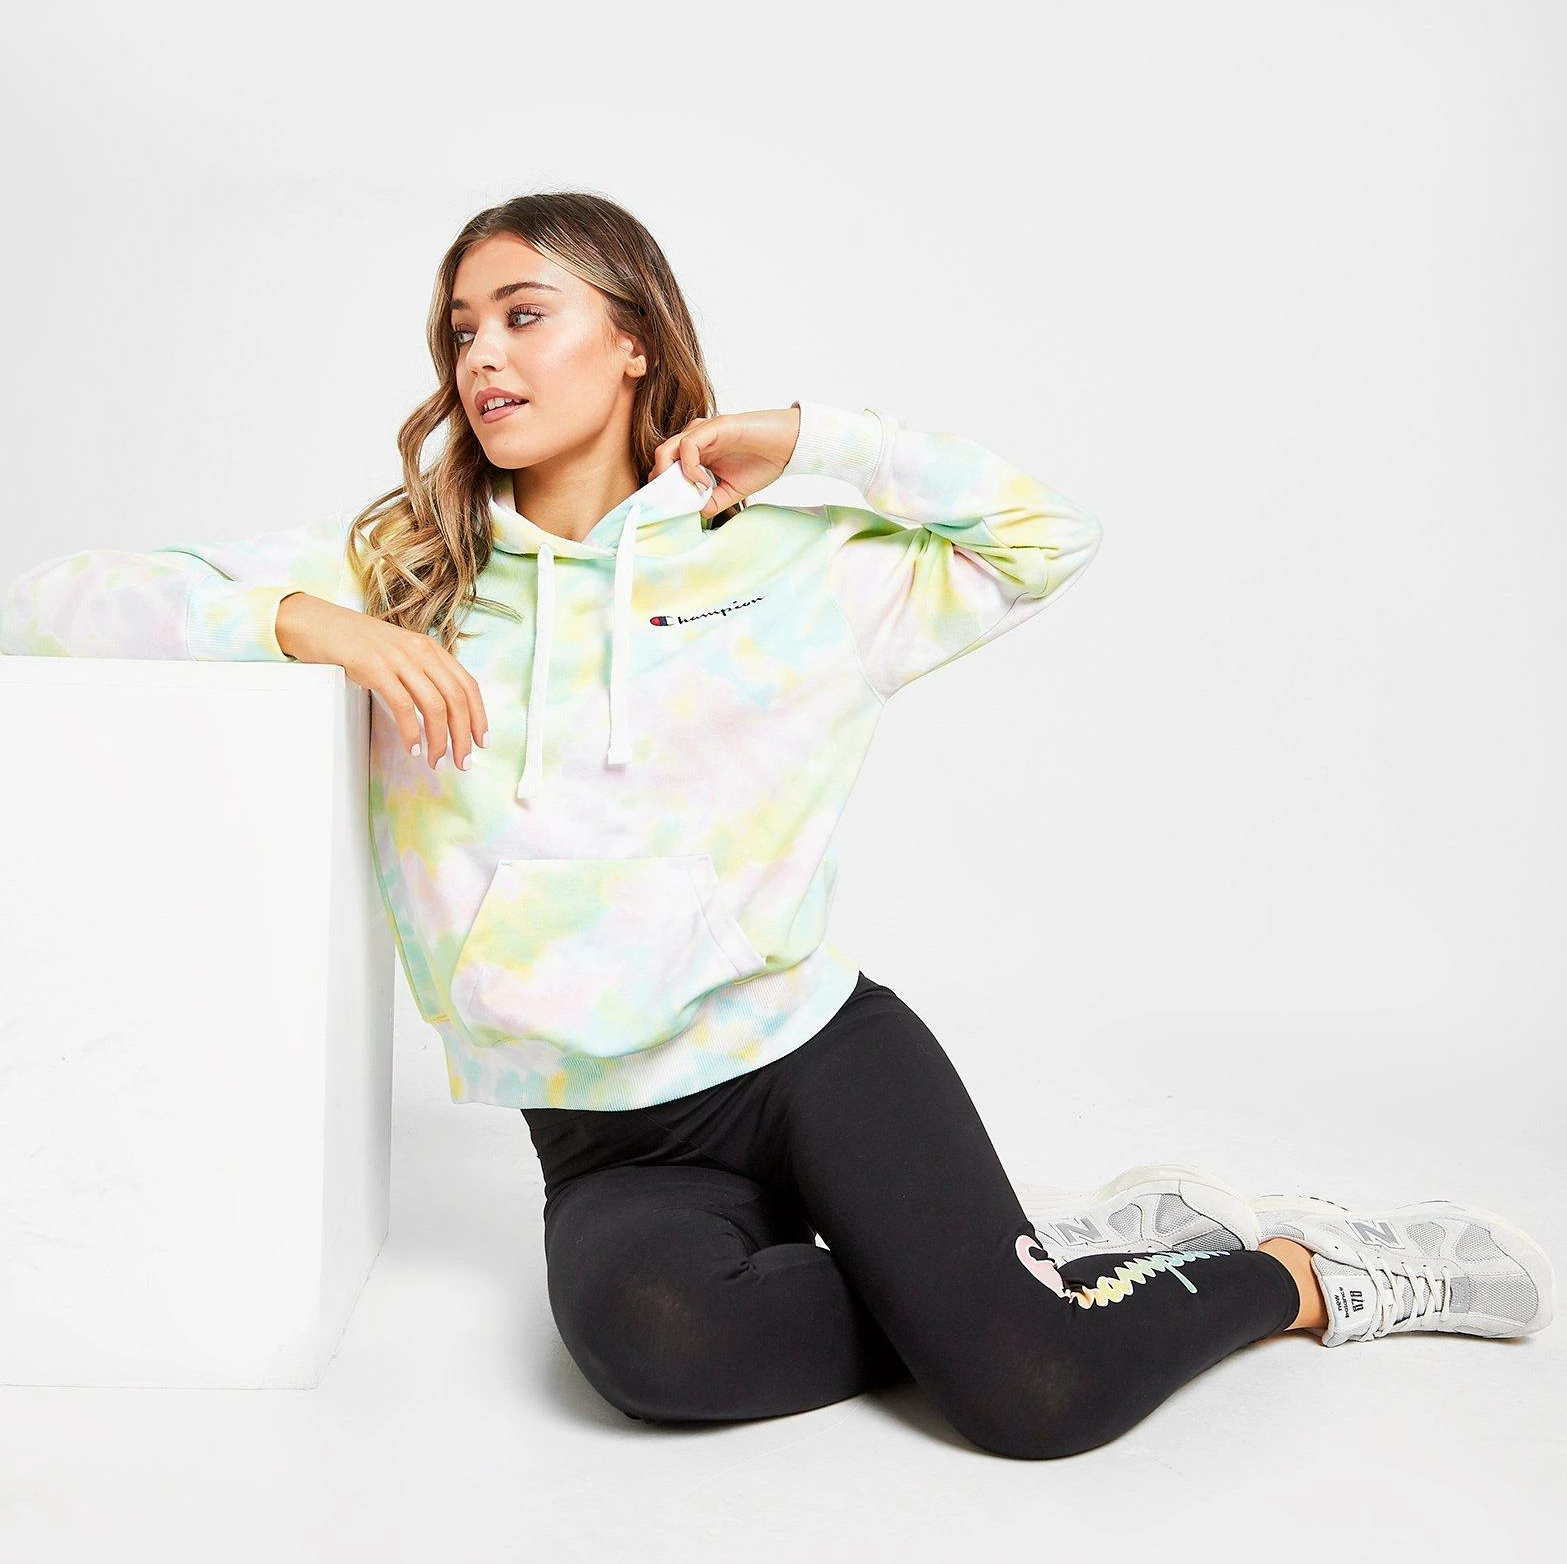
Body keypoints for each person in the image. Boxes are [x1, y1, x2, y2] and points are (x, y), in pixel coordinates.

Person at [3, 192, 1552, 1459]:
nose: (482, 355)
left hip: (808, 1058)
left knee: (1033, 1397)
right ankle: (1027, 1263)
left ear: (632, 340)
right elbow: (56, 600)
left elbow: (1043, 536)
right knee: (658, 1356)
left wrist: (815, 442)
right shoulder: (404, 569)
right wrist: (308, 623)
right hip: (606, 1130)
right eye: (460, 328)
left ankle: (1294, 1276)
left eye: (524, 314)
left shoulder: (789, 558)